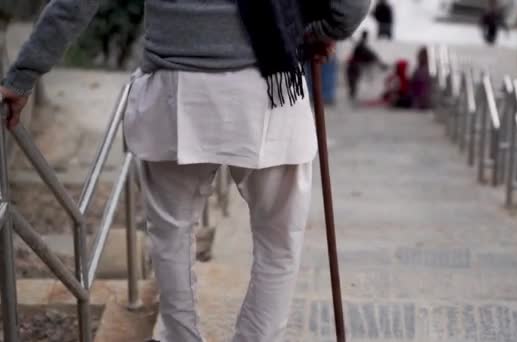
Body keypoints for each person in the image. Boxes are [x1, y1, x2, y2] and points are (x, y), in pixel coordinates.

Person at [0, 1, 370, 342]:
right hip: (267, 87)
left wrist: (23, 75)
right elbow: (349, 5)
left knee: (171, 238)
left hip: (172, 90)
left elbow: (75, 3)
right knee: (278, 245)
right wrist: (323, 31)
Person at [346, 30, 385, 101]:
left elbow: (371, 54)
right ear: (366, 36)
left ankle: (352, 96)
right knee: (353, 82)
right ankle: (352, 96)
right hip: (354, 65)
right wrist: (380, 63)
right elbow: (371, 54)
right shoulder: (361, 44)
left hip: (354, 65)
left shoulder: (361, 44)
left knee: (353, 82)